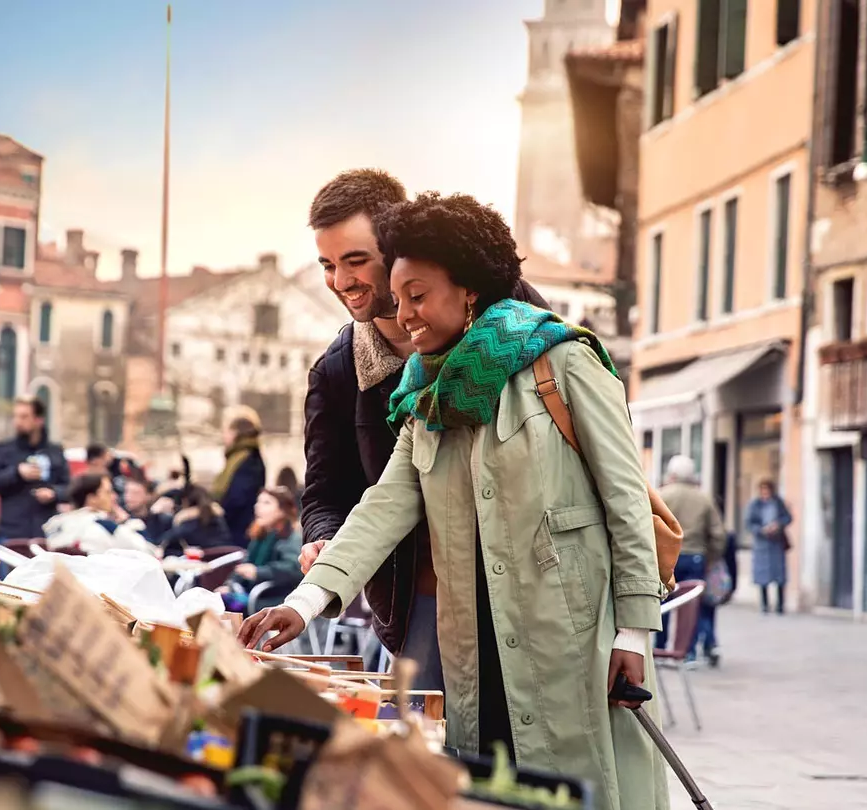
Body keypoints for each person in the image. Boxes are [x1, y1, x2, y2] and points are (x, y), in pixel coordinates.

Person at [241, 192, 668, 810]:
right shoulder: (423, 399)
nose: (404, 313)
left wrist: (634, 632)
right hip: (470, 639)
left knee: (583, 790)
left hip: (572, 636)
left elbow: (626, 501)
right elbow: (384, 507)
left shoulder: (565, 362)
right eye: (399, 296)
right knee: (488, 786)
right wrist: (304, 604)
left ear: (467, 291)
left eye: (418, 295)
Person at [298, 169, 550, 693]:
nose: (341, 282)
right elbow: (329, 491)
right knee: (430, 745)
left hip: (536, 579)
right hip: (425, 596)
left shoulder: (512, 313)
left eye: (355, 260)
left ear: (395, 245)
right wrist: (322, 540)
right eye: (327, 265)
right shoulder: (338, 370)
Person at [657, 455, 725, 665]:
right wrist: (711, 558)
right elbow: (718, 534)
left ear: (672, 474)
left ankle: (660, 647)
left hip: (668, 557)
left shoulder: (661, 495)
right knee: (690, 606)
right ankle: (688, 653)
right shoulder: (704, 499)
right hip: (696, 557)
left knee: (664, 602)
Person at [0, 396, 70, 546]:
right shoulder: (3, 450)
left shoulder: (55, 451)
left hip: (46, 534)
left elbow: (69, 488)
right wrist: (16, 473)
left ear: (38, 419)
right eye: (16, 416)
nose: (18, 422)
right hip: (12, 535)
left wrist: (54, 493)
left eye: (24, 417)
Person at [219, 487, 303, 615]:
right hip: (251, 593)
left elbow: (293, 568)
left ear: (282, 510)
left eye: (266, 503)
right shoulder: (261, 535)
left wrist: (258, 572)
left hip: (273, 598)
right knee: (214, 599)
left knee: (225, 605)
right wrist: (229, 585)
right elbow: (244, 565)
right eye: (258, 502)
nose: (257, 507)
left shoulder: (290, 538)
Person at [43, 472, 154, 556]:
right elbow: (148, 553)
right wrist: (126, 522)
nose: (114, 496)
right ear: (92, 499)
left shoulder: (55, 523)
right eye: (108, 492)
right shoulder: (105, 526)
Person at [212, 409, 265, 545]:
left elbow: (238, 497)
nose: (224, 436)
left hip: (238, 530)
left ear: (236, 433)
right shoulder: (240, 457)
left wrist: (217, 513)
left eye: (226, 431)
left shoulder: (248, 460)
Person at [747, 479, 793, 614]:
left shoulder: (778, 503)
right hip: (762, 544)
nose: (765, 493)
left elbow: (787, 517)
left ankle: (780, 605)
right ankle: (765, 604)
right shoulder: (755, 505)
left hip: (776, 544)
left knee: (779, 576)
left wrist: (778, 525)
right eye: (763, 490)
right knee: (762, 576)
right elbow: (749, 523)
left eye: (767, 490)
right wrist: (761, 530)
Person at [154, 486, 233, 555]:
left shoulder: (188, 522)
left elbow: (161, 541)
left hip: (203, 565)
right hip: (226, 561)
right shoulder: (218, 518)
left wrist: (154, 512)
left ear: (185, 501)